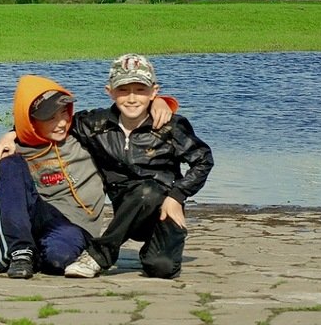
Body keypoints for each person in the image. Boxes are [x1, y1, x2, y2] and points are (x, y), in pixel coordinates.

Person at [0, 74, 175, 279]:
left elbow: (125, 113)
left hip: (74, 227)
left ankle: (32, 252)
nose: (60, 122)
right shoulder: (15, 149)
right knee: (9, 165)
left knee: (58, 261)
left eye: (64, 113)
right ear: (29, 121)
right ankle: (18, 251)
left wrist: (159, 102)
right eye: (49, 117)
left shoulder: (85, 134)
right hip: (36, 215)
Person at [62, 53, 213, 280]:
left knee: (161, 269)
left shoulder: (171, 126)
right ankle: (98, 256)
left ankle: (155, 247)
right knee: (144, 192)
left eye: (140, 90)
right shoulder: (94, 124)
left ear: (154, 92)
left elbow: (203, 160)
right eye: (123, 90)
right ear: (109, 91)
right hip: (124, 206)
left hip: (164, 208)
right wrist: (13, 136)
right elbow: (51, 123)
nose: (132, 98)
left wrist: (177, 196)